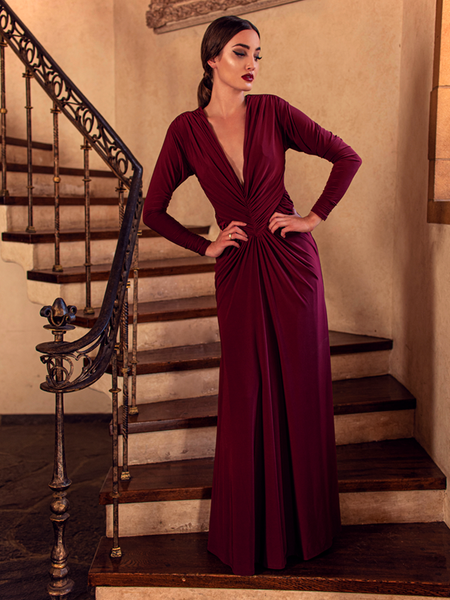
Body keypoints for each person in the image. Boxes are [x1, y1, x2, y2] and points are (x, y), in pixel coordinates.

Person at [143, 15, 362, 576]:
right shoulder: (185, 131)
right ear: (212, 57)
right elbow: (152, 210)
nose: (253, 64)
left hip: (292, 268)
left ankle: (307, 530)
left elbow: (346, 156)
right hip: (238, 271)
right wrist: (205, 245)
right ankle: (252, 535)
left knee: (301, 387)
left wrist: (312, 217)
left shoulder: (273, 111)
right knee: (247, 394)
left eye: (259, 55)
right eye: (242, 53)